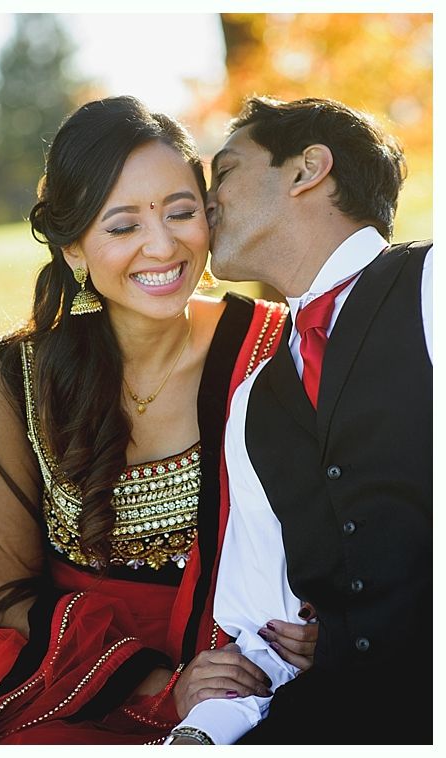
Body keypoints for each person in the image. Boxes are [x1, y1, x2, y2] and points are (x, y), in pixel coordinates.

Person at [0, 96, 318, 745]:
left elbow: (350, 529)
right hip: (78, 672)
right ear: (73, 248)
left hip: (246, 668)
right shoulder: (18, 376)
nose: (162, 244)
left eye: (181, 212)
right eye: (122, 226)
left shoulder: (273, 349)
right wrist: (159, 683)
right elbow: (11, 595)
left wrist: (325, 623)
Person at [167, 97, 431, 745]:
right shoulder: (256, 399)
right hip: (335, 714)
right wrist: (203, 728)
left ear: (307, 169)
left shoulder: (433, 286)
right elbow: (266, 641)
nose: (206, 204)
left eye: (224, 172)